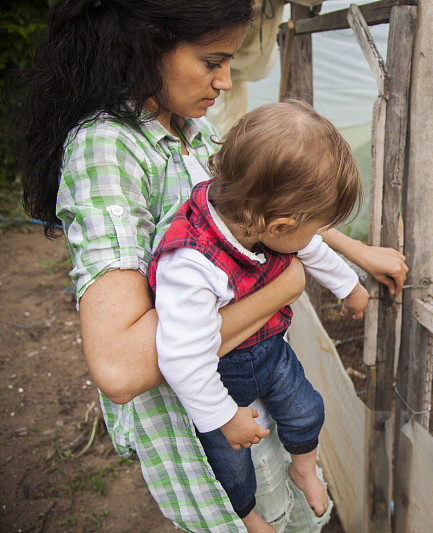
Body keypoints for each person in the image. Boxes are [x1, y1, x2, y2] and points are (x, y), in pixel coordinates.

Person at [17, 1, 408, 531]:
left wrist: (357, 256)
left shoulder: (186, 131)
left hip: (253, 382)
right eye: (211, 61)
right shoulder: (107, 147)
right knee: (257, 507)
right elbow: (119, 366)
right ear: (147, 43)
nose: (225, 81)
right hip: (203, 420)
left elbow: (267, 208)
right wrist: (285, 285)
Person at [149, 101, 370, 531]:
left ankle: (303, 467)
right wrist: (223, 415)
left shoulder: (257, 215)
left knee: (307, 410)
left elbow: (312, 249)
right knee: (230, 465)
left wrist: (350, 286)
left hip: (269, 351)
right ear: (280, 226)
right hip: (221, 376)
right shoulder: (192, 265)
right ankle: (248, 514)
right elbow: (181, 357)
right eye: (310, 227)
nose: (312, 238)